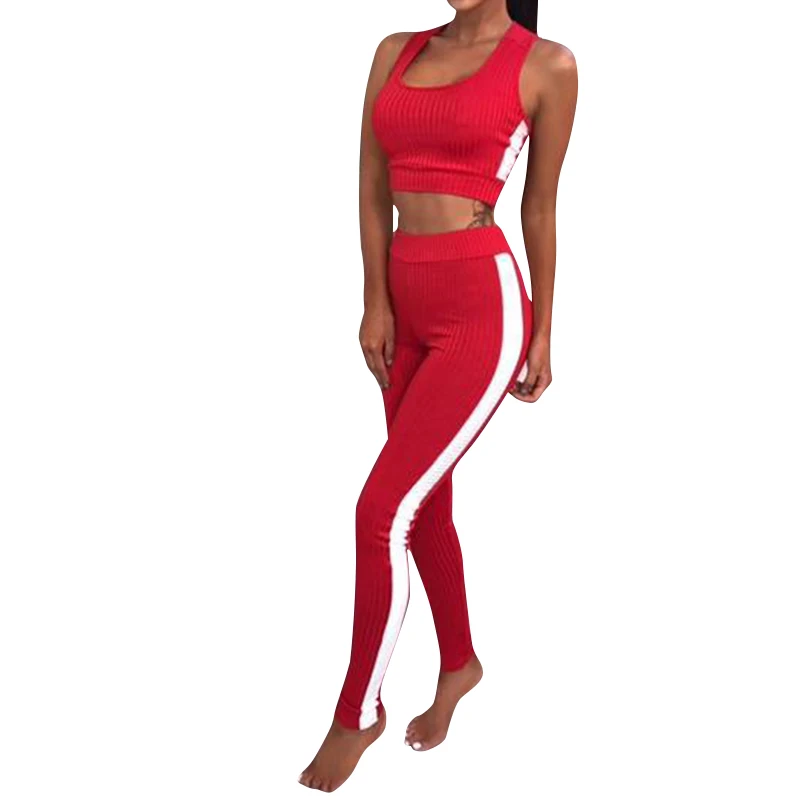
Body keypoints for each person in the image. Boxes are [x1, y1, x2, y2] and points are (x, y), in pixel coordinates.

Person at [299, 0, 577, 791]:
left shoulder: (546, 64)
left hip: (480, 309)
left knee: (380, 511)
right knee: (424, 509)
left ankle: (356, 714)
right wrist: (375, 300)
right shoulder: (395, 51)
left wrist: (544, 331)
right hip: (403, 299)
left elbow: (540, 205)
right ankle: (460, 663)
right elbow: (371, 181)